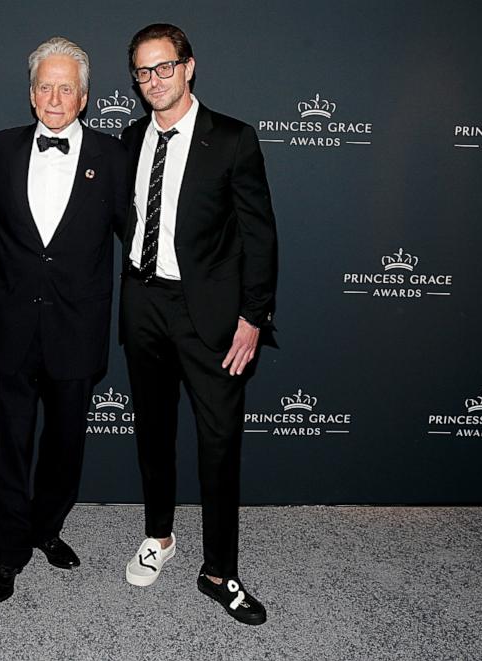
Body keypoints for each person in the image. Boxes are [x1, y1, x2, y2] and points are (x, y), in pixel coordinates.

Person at [119, 23, 278, 626]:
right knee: (153, 432)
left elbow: (260, 237)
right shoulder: (130, 138)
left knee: (218, 442)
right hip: (141, 304)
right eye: (142, 71)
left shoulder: (233, 139)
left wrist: (253, 317)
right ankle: (159, 537)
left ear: (188, 67)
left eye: (163, 67)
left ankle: (219, 570)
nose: (153, 80)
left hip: (209, 315)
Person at [0, 37, 128, 602]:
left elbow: (138, 236)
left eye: (67, 87)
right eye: (46, 85)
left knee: (66, 445)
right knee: (9, 444)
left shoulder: (113, 158)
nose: (56, 96)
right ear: (30, 94)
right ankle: (10, 551)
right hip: (12, 325)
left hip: (77, 326)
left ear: (85, 97)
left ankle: (48, 527)